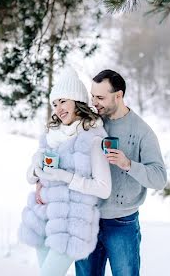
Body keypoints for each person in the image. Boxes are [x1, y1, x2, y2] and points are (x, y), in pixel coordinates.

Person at [19, 68, 112, 276]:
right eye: (55, 103)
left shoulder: (93, 139)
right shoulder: (51, 135)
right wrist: (36, 166)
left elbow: (104, 189)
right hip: (42, 219)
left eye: (63, 101)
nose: (58, 109)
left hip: (71, 226)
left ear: (77, 102)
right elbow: (29, 177)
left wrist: (65, 177)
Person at [76, 69, 167, 276]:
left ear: (119, 96)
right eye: (93, 96)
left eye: (100, 97)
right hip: (88, 218)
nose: (94, 102)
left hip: (122, 223)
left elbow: (160, 178)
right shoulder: (90, 123)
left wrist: (128, 164)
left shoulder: (142, 132)